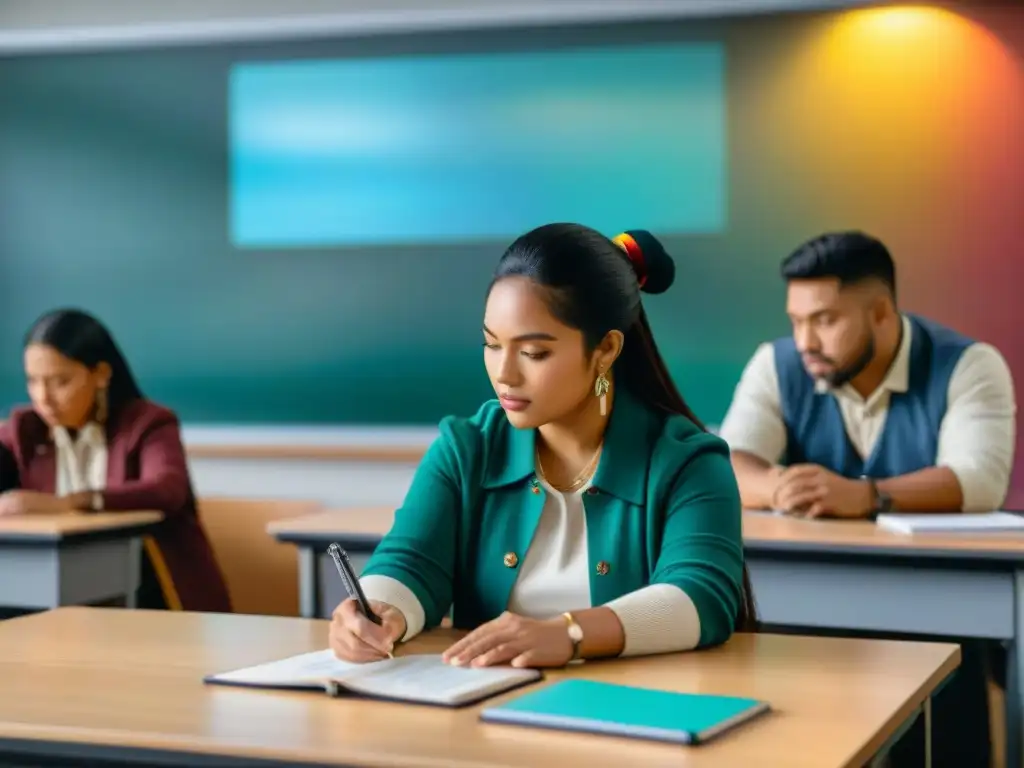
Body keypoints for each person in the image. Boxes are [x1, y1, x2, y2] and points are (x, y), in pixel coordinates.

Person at [330, 223, 755, 669]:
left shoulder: (688, 461)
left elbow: (700, 596)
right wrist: (381, 609)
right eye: (491, 345)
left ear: (606, 350)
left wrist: (569, 633)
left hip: (636, 717)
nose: (504, 374)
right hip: (489, 714)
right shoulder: (468, 447)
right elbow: (411, 561)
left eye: (533, 353)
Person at [718, 231, 1016, 768]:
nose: (804, 340)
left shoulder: (970, 365)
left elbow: (978, 480)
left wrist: (867, 495)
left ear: (881, 313)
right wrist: (779, 488)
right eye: (796, 320)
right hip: (804, 606)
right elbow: (731, 463)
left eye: (825, 320)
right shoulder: (777, 364)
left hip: (937, 606)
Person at [0, 308, 232, 613]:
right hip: (62, 601)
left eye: (60, 382)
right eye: (33, 381)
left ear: (100, 375)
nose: (43, 397)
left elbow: (167, 489)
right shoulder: (25, 428)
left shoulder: (148, 423)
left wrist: (67, 503)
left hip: (154, 591)